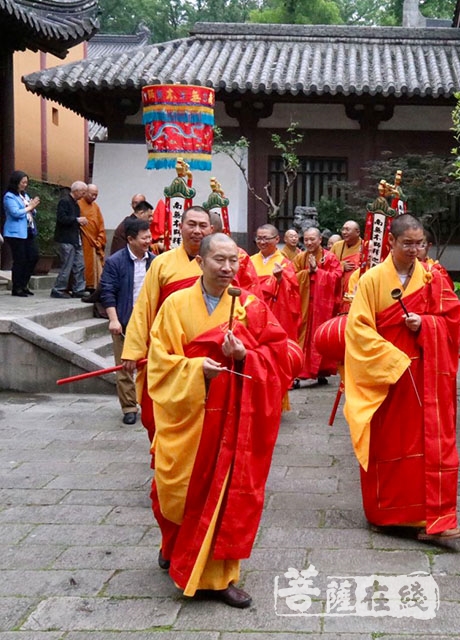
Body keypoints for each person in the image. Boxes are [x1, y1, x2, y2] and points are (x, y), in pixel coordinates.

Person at [148, 233, 303, 607]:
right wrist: (195, 367)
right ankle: (174, 546)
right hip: (189, 420)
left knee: (228, 495)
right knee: (173, 492)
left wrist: (247, 354)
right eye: (219, 260)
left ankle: (219, 577)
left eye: (234, 260)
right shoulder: (175, 305)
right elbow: (159, 363)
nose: (228, 268)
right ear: (200, 263)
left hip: (234, 425)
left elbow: (283, 355)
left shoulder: (250, 305)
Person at [344, 214, 460, 541]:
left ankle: (431, 517)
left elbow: (452, 321)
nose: (414, 249)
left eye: (419, 243)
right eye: (407, 243)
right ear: (391, 242)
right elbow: (358, 330)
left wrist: (425, 323)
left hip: (426, 375)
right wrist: (393, 361)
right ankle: (387, 514)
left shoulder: (432, 278)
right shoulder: (371, 280)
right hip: (389, 377)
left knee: (429, 446)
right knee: (391, 446)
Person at [121, 206, 214, 442]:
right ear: (179, 227)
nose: (197, 230)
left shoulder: (219, 264)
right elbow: (144, 308)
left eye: (203, 225)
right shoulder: (162, 263)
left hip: (208, 352)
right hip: (168, 353)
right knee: (162, 413)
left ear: (211, 229)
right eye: (191, 224)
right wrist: (133, 349)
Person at [100, 219, 154, 425]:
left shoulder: (155, 261)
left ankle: (149, 403)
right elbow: (107, 292)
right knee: (125, 366)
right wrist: (114, 320)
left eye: (149, 236)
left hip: (150, 323)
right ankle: (129, 407)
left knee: (150, 366)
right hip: (124, 320)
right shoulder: (115, 262)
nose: (148, 241)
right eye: (144, 238)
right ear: (130, 239)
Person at [292, 226, 342, 386]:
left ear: (320, 240)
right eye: (306, 239)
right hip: (305, 303)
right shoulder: (300, 258)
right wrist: (308, 272)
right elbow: (292, 277)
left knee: (321, 336)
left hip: (323, 305)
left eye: (312, 239)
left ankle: (322, 370)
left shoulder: (330, 258)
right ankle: (301, 372)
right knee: (303, 337)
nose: (309, 242)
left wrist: (318, 272)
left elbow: (336, 277)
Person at [250, 224, 301, 341]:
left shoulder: (285, 263)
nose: (262, 242)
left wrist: (280, 280)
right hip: (253, 313)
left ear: (277, 239)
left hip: (275, 314)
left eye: (266, 238)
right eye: (259, 238)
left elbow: (293, 295)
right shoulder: (250, 261)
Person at [2, 170, 40, 297]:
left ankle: (24, 284)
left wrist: (32, 207)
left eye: (26, 182)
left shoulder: (24, 195)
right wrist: (30, 207)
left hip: (28, 231)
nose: (25, 185)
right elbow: (15, 213)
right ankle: (17, 287)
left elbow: (33, 212)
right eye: (22, 182)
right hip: (15, 233)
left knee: (33, 257)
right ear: (16, 182)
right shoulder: (9, 196)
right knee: (20, 260)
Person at [50, 181, 88, 299]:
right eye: (83, 192)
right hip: (66, 238)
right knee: (67, 265)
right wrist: (77, 220)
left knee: (79, 265)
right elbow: (62, 219)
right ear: (75, 191)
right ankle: (58, 289)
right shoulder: (65, 201)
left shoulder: (76, 204)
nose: (84, 194)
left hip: (75, 238)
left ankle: (79, 289)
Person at [78, 183, 106, 292]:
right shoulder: (78, 204)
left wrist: (100, 238)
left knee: (95, 266)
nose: (94, 197)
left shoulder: (96, 207)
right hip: (83, 239)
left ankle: (93, 286)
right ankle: (81, 285)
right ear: (85, 193)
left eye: (96, 195)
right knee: (82, 264)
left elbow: (101, 224)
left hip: (95, 241)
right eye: (92, 194)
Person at [329, 220, 362, 310]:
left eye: (347, 230)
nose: (344, 232)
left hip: (356, 289)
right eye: (343, 229)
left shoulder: (365, 247)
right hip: (338, 289)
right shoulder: (337, 246)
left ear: (357, 232)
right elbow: (328, 265)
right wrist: (341, 265)